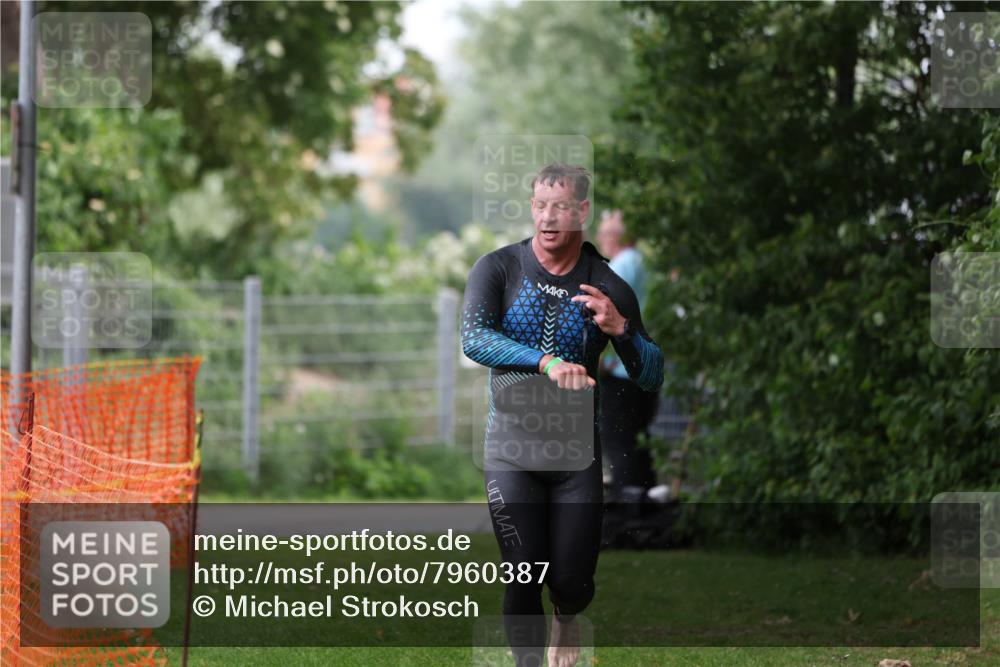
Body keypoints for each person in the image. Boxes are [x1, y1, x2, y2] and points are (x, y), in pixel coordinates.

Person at [461, 163, 664, 667]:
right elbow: (474, 338)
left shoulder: (608, 285)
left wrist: (620, 330)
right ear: (532, 208)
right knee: (522, 571)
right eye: (540, 206)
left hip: (576, 457)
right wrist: (546, 361)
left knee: (571, 581)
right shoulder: (498, 268)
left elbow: (652, 373)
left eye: (561, 207)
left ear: (582, 211)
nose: (549, 218)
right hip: (510, 448)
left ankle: (567, 617)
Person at [595, 210, 661, 498]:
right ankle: (646, 509)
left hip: (621, 370)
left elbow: (605, 314)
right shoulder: (646, 265)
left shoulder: (620, 266)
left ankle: (629, 510)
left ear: (613, 237)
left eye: (603, 233)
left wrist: (600, 360)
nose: (600, 239)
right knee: (639, 442)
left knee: (620, 443)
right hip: (646, 367)